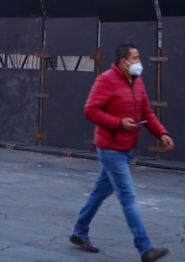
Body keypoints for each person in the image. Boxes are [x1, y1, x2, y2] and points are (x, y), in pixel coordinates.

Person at [70, 43, 174, 261]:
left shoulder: (137, 82)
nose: (139, 62)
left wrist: (161, 133)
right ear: (124, 62)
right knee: (128, 196)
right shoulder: (106, 80)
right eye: (135, 58)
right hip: (110, 149)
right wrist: (118, 123)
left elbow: (146, 111)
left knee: (99, 193)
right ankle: (145, 248)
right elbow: (90, 110)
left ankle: (79, 232)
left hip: (126, 148)